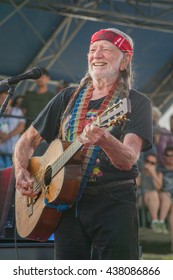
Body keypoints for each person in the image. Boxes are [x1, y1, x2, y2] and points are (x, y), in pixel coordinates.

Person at [13, 28, 152, 260]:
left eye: (106, 50)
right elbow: (26, 141)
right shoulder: (67, 97)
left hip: (113, 201)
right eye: (93, 50)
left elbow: (128, 160)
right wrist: (21, 171)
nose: (97, 54)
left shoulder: (135, 103)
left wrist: (105, 139)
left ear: (125, 61)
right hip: (65, 204)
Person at [136, 153, 163, 232]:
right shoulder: (140, 171)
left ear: (156, 165)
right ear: (144, 162)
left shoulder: (158, 173)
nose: (149, 164)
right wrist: (141, 174)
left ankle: (155, 222)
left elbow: (159, 187)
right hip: (140, 198)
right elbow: (137, 184)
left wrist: (153, 173)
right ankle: (155, 222)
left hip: (155, 199)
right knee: (152, 194)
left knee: (153, 194)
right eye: (147, 161)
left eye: (152, 163)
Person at [0, 92, 26, 169]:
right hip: (1, 149)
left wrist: (8, 136)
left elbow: (21, 126)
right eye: (1, 98)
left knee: (10, 170)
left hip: (13, 149)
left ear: (10, 100)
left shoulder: (17, 111)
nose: (3, 100)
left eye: (6, 98)